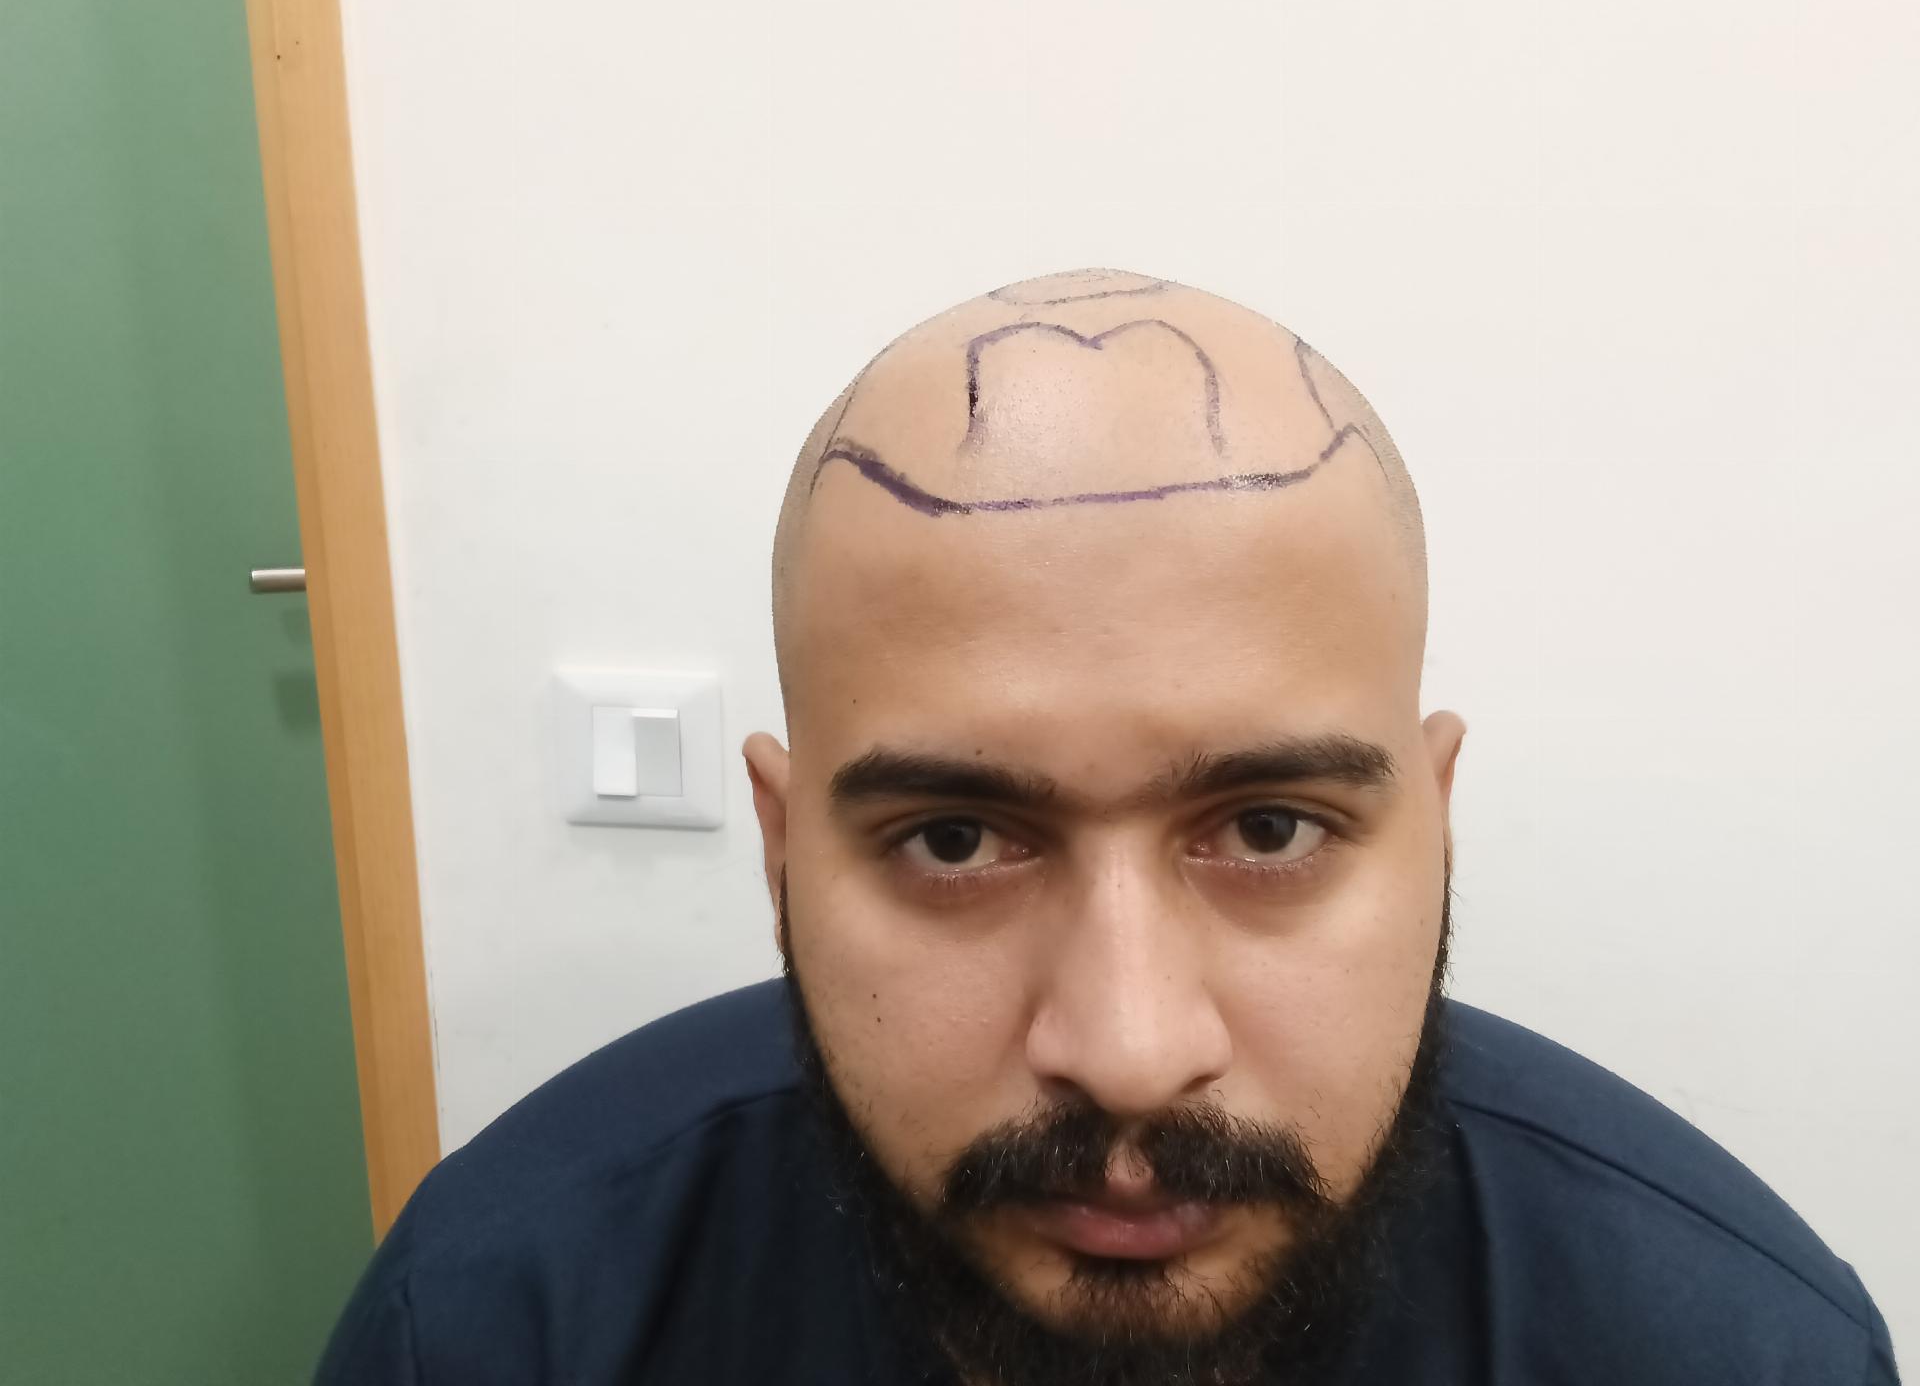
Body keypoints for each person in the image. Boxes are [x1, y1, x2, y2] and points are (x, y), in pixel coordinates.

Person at [315, 268, 1899, 1385]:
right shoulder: (498, 1331)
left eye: (1267, 829)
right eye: (954, 840)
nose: (1129, 1050)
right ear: (785, 861)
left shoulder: (1730, 1350)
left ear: (1437, 833)